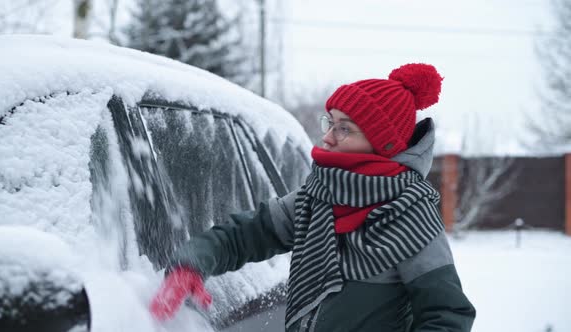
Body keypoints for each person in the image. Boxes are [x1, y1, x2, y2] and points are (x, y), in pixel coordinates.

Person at [149, 63, 476, 332]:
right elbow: (249, 233)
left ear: (382, 145)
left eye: (344, 128)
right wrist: (192, 263)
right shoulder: (318, 196)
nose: (328, 136)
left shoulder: (410, 215)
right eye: (330, 122)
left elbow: (447, 314)